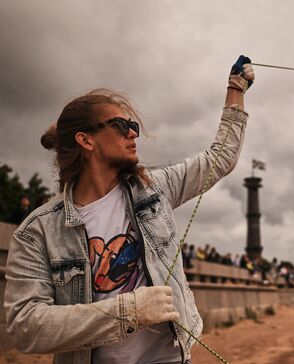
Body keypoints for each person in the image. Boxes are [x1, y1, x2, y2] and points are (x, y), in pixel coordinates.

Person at [3, 56, 254, 364]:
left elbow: (221, 157)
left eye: (133, 126)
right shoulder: (36, 232)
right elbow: (26, 326)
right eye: (122, 126)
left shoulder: (155, 188)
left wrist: (235, 89)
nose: (133, 133)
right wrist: (129, 311)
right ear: (85, 140)